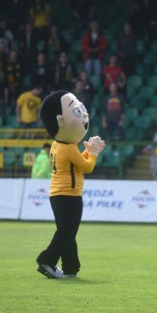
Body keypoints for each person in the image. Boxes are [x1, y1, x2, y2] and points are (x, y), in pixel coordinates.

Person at [36, 90, 105, 279]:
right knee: (67, 232)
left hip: (56, 194)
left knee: (67, 231)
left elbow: (75, 164)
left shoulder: (57, 144)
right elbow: (86, 167)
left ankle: (71, 267)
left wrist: (88, 151)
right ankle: (47, 259)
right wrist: (94, 152)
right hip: (70, 195)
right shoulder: (68, 147)